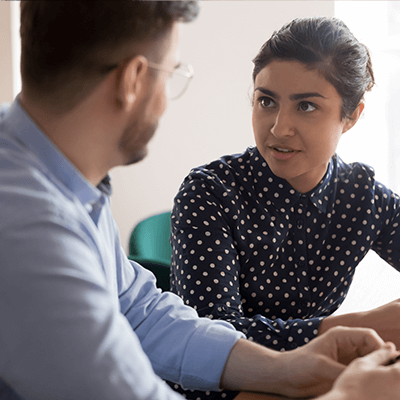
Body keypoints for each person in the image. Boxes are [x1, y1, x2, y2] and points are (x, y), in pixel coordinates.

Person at [0, 3, 399, 400]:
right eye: (172, 73)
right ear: (134, 80)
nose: (280, 127)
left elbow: (142, 314)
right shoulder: (31, 228)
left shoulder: (61, 183)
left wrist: (286, 370)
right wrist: (349, 395)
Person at [170, 15, 400, 399]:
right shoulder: (209, 191)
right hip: (222, 386)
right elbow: (210, 338)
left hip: (315, 380)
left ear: (351, 116)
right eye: (266, 101)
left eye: (306, 106)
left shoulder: (364, 198)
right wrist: (354, 327)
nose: (278, 128)